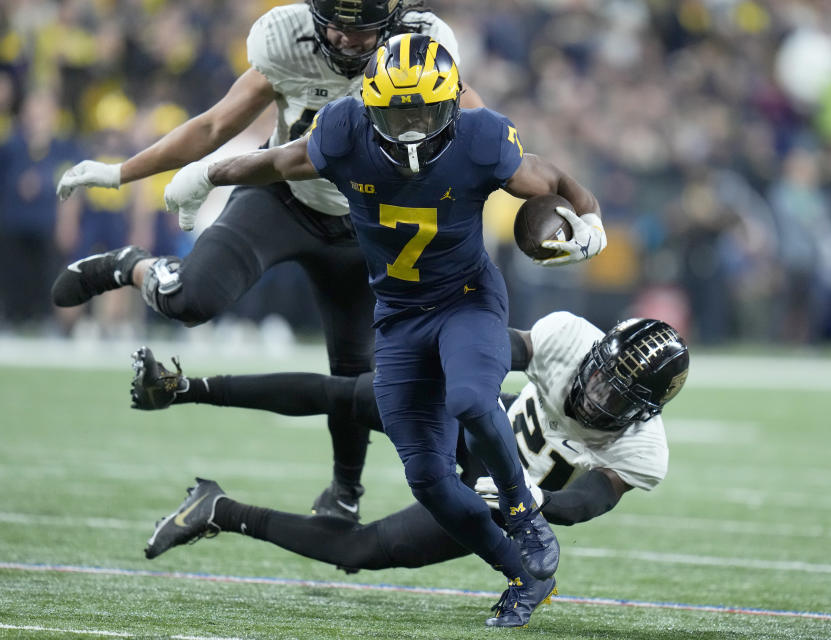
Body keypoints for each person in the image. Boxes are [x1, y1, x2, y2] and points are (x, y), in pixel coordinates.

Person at [148, 34, 607, 628]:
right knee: (431, 482)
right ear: (371, 103)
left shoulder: (482, 137)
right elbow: (277, 161)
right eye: (399, 110)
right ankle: (522, 575)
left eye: (425, 109)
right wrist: (208, 173)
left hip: (466, 300)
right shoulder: (345, 130)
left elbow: (549, 177)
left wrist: (590, 219)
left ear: (451, 104)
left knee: (471, 397)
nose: (413, 125)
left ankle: (522, 511)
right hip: (394, 315)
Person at [51, 0, 484, 522]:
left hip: (366, 226)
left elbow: (487, 134)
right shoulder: (288, 42)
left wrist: (557, 203)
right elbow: (214, 126)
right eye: (335, 28)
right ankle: (130, 266)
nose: (345, 41)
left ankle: (345, 492)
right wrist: (122, 174)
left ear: (388, 26)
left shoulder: (419, 50)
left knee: (353, 376)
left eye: (359, 31)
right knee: (191, 299)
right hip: (282, 198)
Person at [138, 313, 686, 601]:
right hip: (481, 425)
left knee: (361, 551)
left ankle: (219, 510)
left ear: (644, 411)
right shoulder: (568, 337)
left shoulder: (644, 449)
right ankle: (187, 387)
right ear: (595, 353)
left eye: (616, 398)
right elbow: (496, 351)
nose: (595, 397)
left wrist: (529, 499)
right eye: (599, 378)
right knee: (350, 395)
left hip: (501, 498)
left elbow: (587, 503)